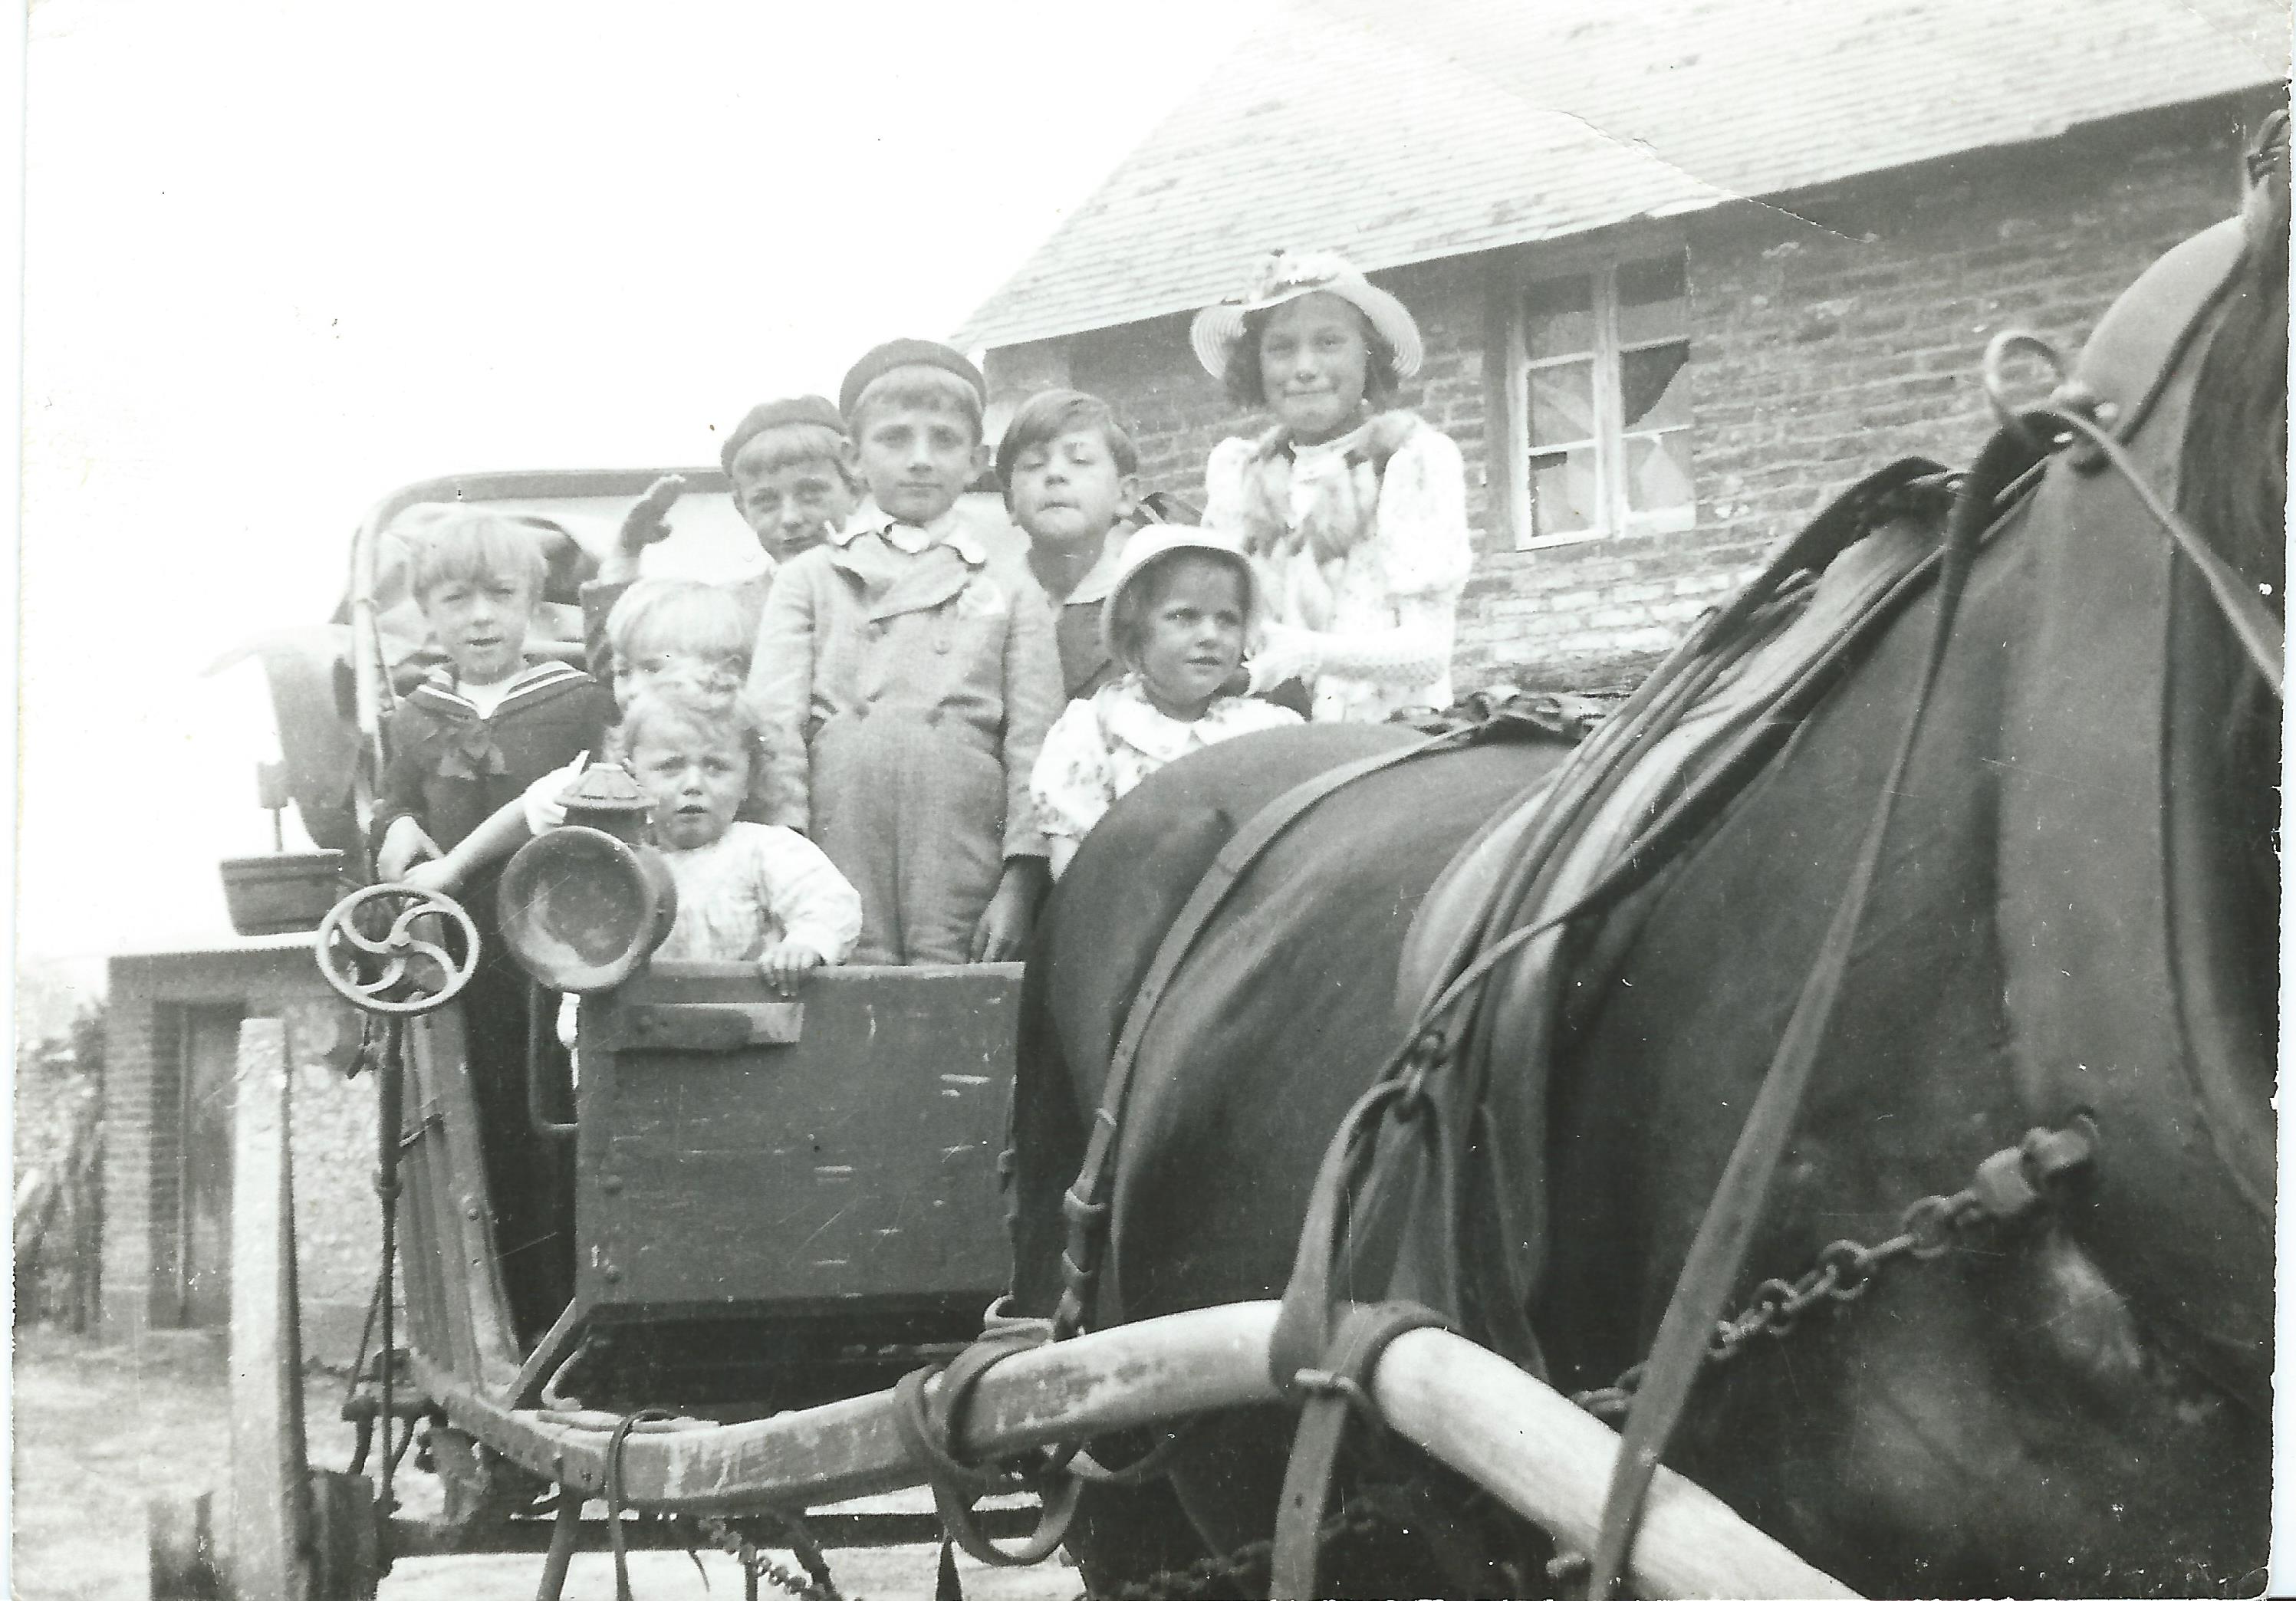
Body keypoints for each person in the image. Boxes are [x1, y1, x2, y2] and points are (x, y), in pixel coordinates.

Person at [369, 509, 614, 1349]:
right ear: (428, 614)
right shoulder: (417, 715)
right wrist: (398, 830)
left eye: (500, 596)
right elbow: (397, 798)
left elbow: (570, 802)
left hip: (552, 946)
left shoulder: (575, 703)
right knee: (484, 1133)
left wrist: (452, 864)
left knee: (559, 1127)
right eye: (455, 599)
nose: (480, 616)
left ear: (533, 606)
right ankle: (500, 1326)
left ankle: (570, 1318)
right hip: (459, 960)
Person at [746, 339, 1063, 965]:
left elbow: (1036, 740)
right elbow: (772, 726)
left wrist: (1020, 882)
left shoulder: (1008, 584)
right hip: (837, 837)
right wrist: (787, 854)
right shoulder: (811, 578)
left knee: (956, 1006)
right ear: (853, 458)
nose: (920, 461)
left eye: (943, 441)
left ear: (976, 461)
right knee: (841, 997)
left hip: (961, 839)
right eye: (895, 439)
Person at [409, 685, 863, 981]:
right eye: (669, 766)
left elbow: (831, 903)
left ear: (748, 779)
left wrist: (807, 944)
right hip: (634, 1037)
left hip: (745, 1030)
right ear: (631, 777)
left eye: (716, 766)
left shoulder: (764, 850)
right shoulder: (607, 858)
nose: (693, 783)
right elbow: (577, 951)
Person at [1192, 250, 1474, 724]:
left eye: (1328, 342)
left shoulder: (1412, 462)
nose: (1304, 367)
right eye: (1281, 348)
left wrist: (1306, 652)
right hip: (1268, 735)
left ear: (1368, 356)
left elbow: (1429, 654)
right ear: (1256, 366)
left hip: (1389, 740)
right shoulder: (1239, 473)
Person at [1031, 528, 1301, 879]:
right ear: (1134, 633)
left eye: (1227, 619)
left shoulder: (1270, 729)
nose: (1210, 635)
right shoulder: (1094, 729)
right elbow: (1073, 871)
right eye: (1184, 616)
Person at [580, 396, 861, 679]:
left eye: (811, 494)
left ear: (854, 491)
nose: (790, 518)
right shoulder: (727, 610)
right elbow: (630, 678)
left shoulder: (893, 587)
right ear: (742, 510)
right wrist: (626, 554)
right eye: (766, 502)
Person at [997, 388, 1146, 700]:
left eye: (1079, 460)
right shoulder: (987, 601)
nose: (1054, 474)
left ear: (1125, 496)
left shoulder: (1146, 603)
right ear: (1010, 502)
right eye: (1034, 464)